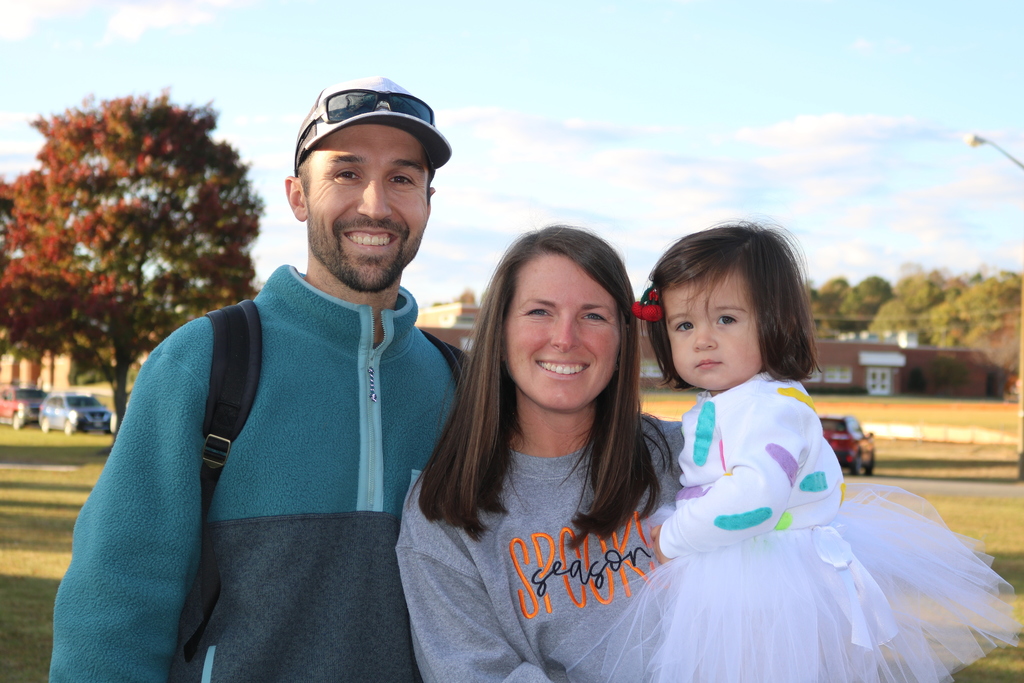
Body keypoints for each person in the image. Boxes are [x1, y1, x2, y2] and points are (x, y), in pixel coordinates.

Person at [50, 76, 455, 682]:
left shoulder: (460, 388)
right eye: (345, 173)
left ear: (427, 200)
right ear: (297, 196)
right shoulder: (204, 361)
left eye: (402, 177)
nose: (376, 203)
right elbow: (114, 607)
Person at [582, 222, 1021, 683]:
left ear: (776, 321)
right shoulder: (732, 401)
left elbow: (755, 498)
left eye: (726, 319)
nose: (702, 339)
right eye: (684, 324)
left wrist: (669, 539)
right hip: (734, 565)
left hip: (761, 575)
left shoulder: (771, 408)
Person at [396, 225, 682, 682]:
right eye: (539, 312)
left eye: (593, 316)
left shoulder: (684, 459)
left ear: (622, 340)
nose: (565, 338)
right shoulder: (445, 509)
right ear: (501, 335)